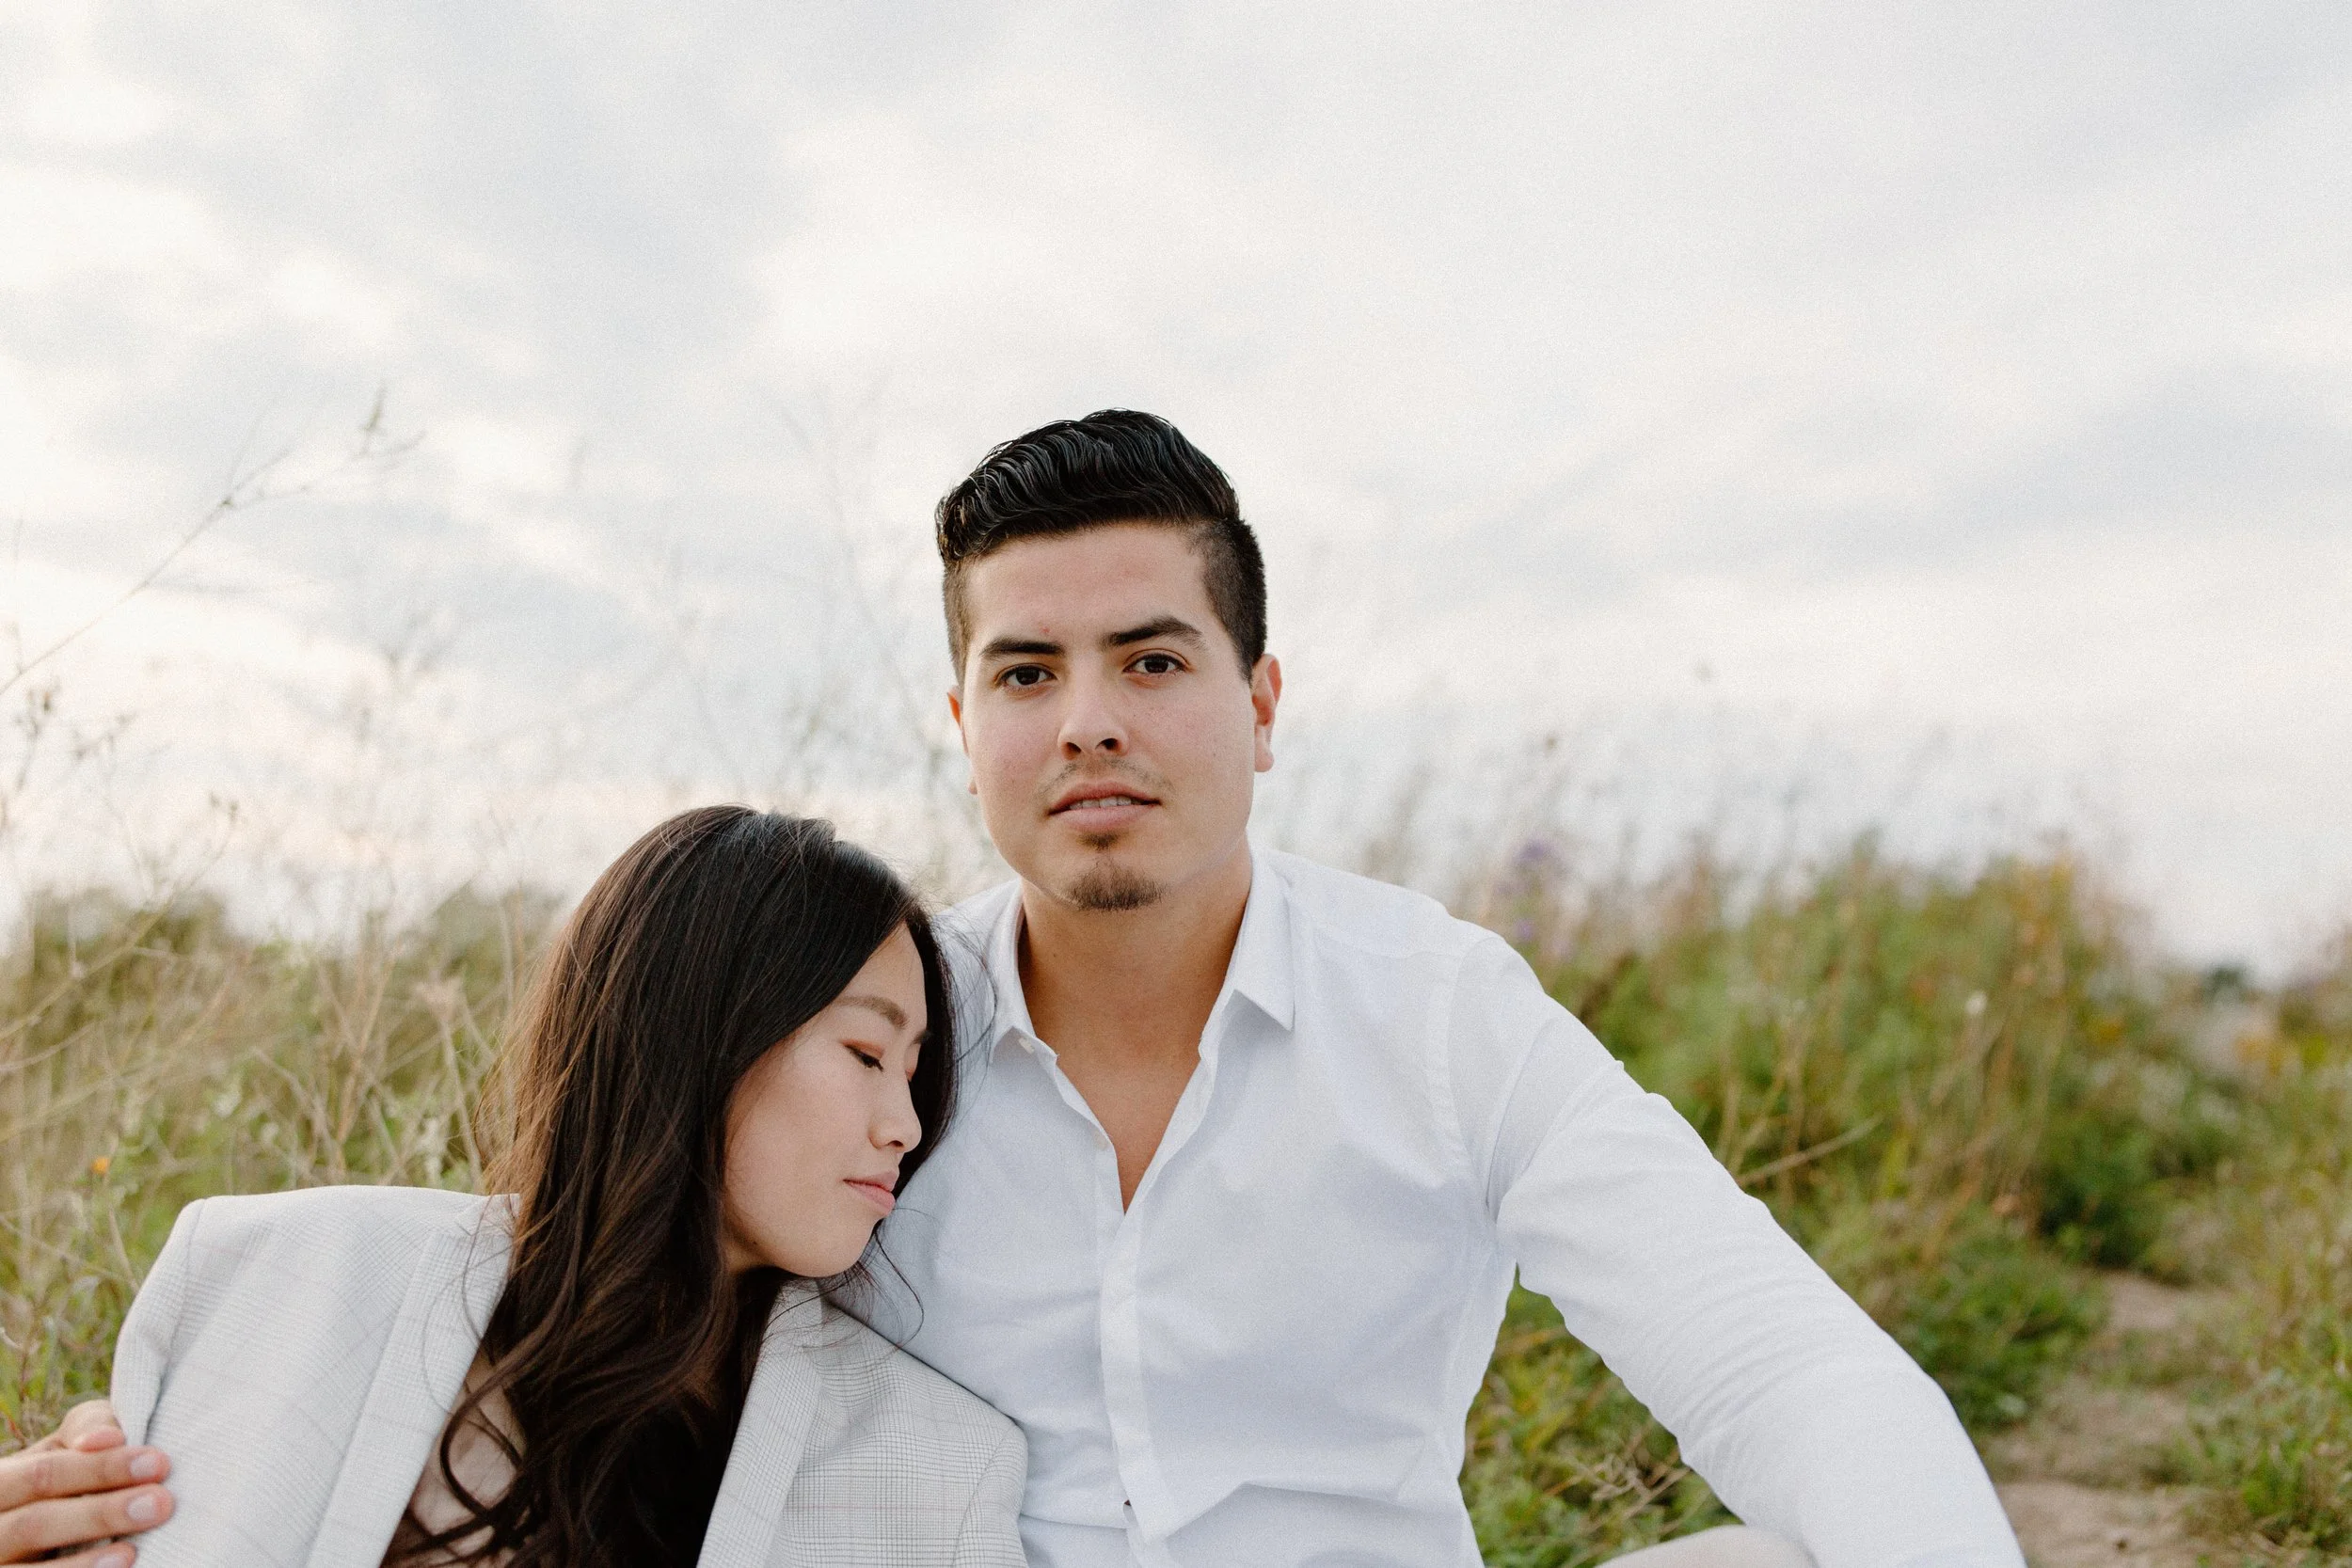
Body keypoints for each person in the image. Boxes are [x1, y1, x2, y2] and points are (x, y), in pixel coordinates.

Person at [7, 412, 2023, 1568]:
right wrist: (152, 1454)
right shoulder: (871, 1037)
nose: (1091, 724)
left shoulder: (1439, 1008)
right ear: (958, 716)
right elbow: (590, 1276)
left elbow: (1773, 1365)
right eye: (1026, 673)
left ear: (1258, 699)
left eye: (1152, 659)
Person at [0, 806, 1025, 1567]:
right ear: (699, 1034)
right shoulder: (288, 1279)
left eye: (915, 1068)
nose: (906, 1122)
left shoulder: (935, 1468)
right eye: (864, 1051)